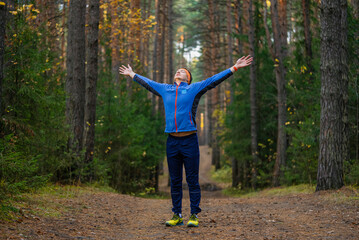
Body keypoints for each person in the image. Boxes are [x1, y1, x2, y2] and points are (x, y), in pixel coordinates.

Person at [119, 55, 253, 227]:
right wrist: (132, 74)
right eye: (178, 70)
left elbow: (214, 80)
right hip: (172, 142)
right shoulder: (165, 89)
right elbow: (149, 83)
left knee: (192, 180)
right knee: (175, 180)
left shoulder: (193, 89)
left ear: (188, 78)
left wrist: (234, 68)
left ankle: (194, 215)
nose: (179, 71)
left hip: (189, 140)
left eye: (183, 71)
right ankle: (177, 215)